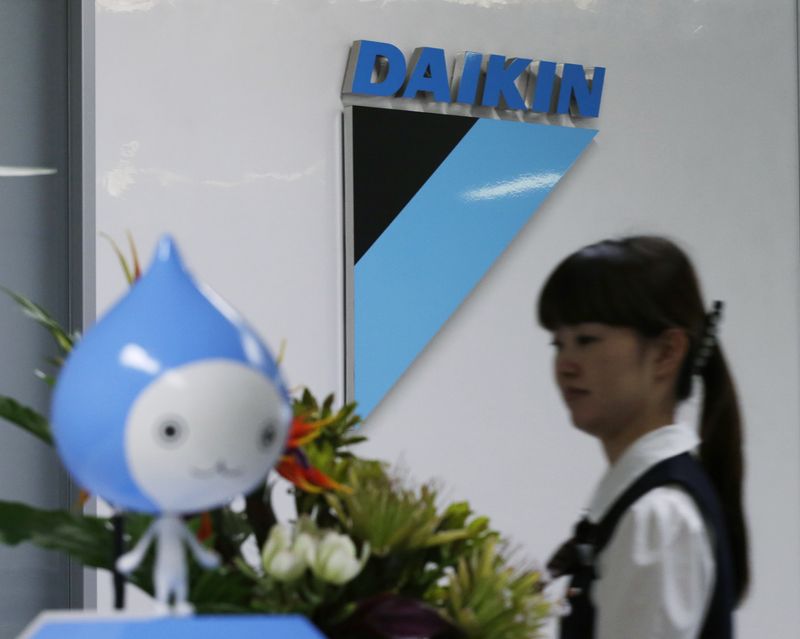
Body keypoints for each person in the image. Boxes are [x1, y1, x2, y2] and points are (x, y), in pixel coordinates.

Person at [538, 236, 748, 639]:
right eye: (557, 343)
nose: (564, 365)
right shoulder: (642, 506)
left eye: (587, 339)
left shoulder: (658, 517)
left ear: (667, 352)